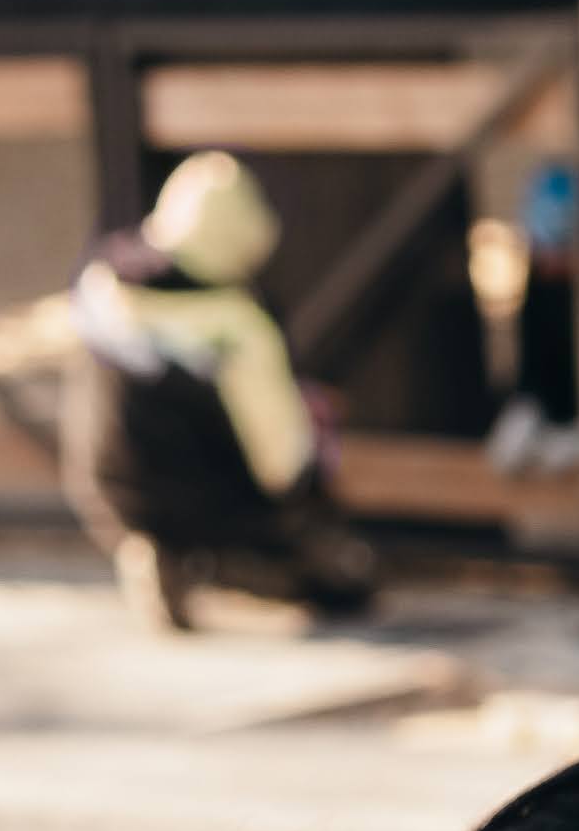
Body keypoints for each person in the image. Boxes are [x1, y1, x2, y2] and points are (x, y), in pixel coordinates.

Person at [61, 150, 377, 629]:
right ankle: (235, 571)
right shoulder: (238, 325)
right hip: (210, 497)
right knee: (342, 584)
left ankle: (163, 556)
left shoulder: (106, 291)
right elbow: (279, 452)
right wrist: (306, 483)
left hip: (107, 487)